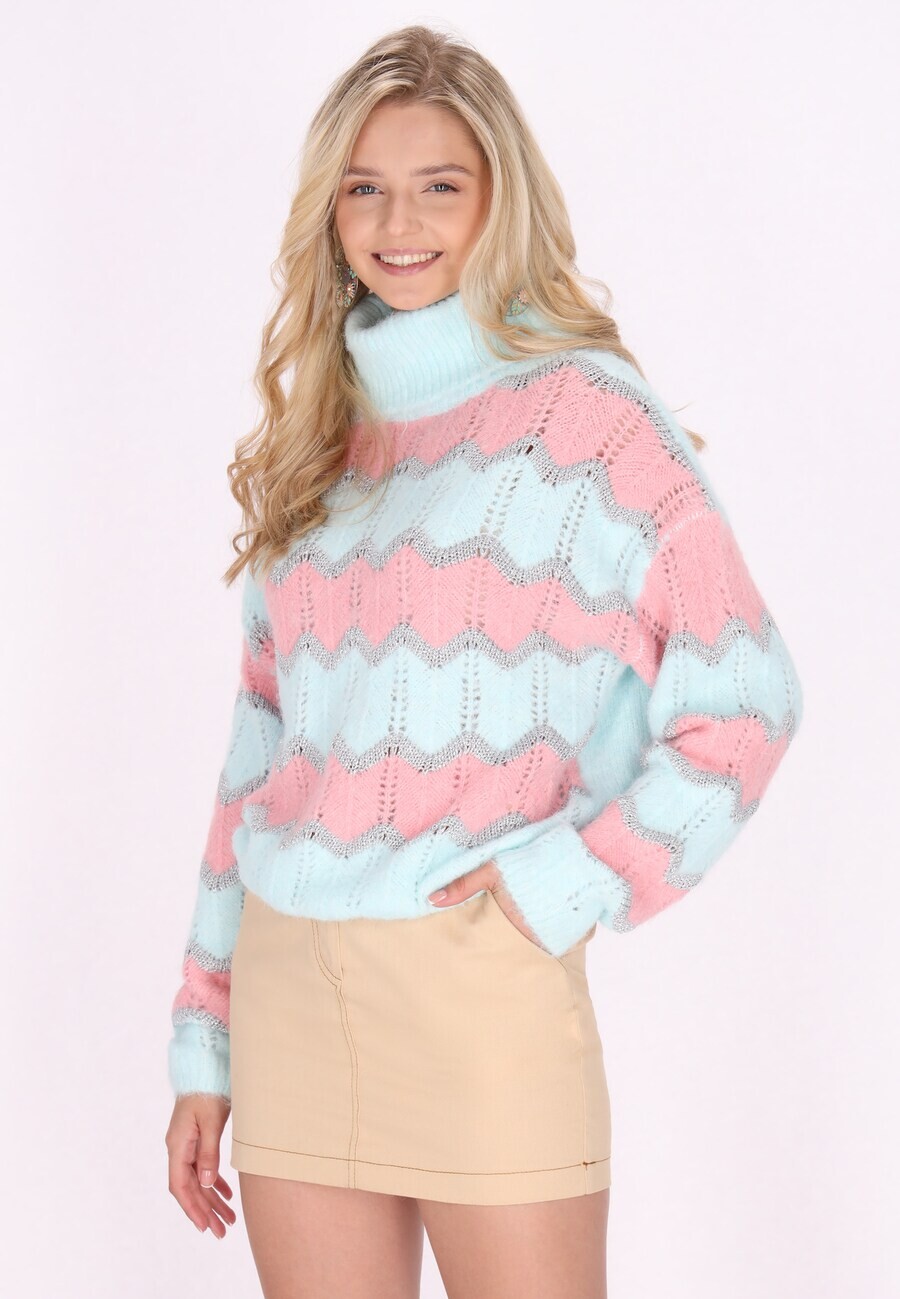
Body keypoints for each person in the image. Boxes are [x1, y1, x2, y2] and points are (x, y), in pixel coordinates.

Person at [164, 23, 803, 1299]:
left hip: (481, 994)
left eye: (439, 186)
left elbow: (748, 700)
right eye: (364, 187)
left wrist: (570, 882)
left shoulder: (590, 422)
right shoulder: (320, 443)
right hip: (292, 996)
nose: (397, 222)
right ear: (329, 209)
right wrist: (203, 1041)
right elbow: (257, 758)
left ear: (499, 200)